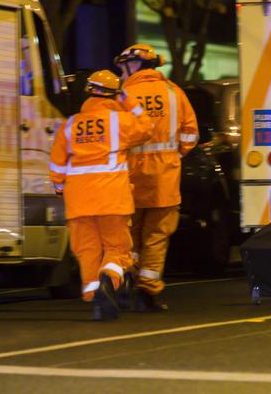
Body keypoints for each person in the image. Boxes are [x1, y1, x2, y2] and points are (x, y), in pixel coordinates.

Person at [49, 70, 153, 320]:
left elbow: (57, 165)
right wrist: (129, 101)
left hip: (79, 201)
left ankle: (95, 297)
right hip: (111, 198)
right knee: (117, 248)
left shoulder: (70, 124)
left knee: (87, 250)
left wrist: (60, 188)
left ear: (88, 92)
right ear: (115, 95)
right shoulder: (120, 121)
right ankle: (110, 277)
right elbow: (147, 127)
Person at [114, 44, 199, 312]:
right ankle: (147, 292)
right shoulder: (174, 93)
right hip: (164, 180)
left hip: (129, 178)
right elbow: (190, 135)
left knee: (129, 236)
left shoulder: (122, 95)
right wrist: (173, 156)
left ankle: (126, 284)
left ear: (135, 65)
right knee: (156, 237)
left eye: (125, 65)